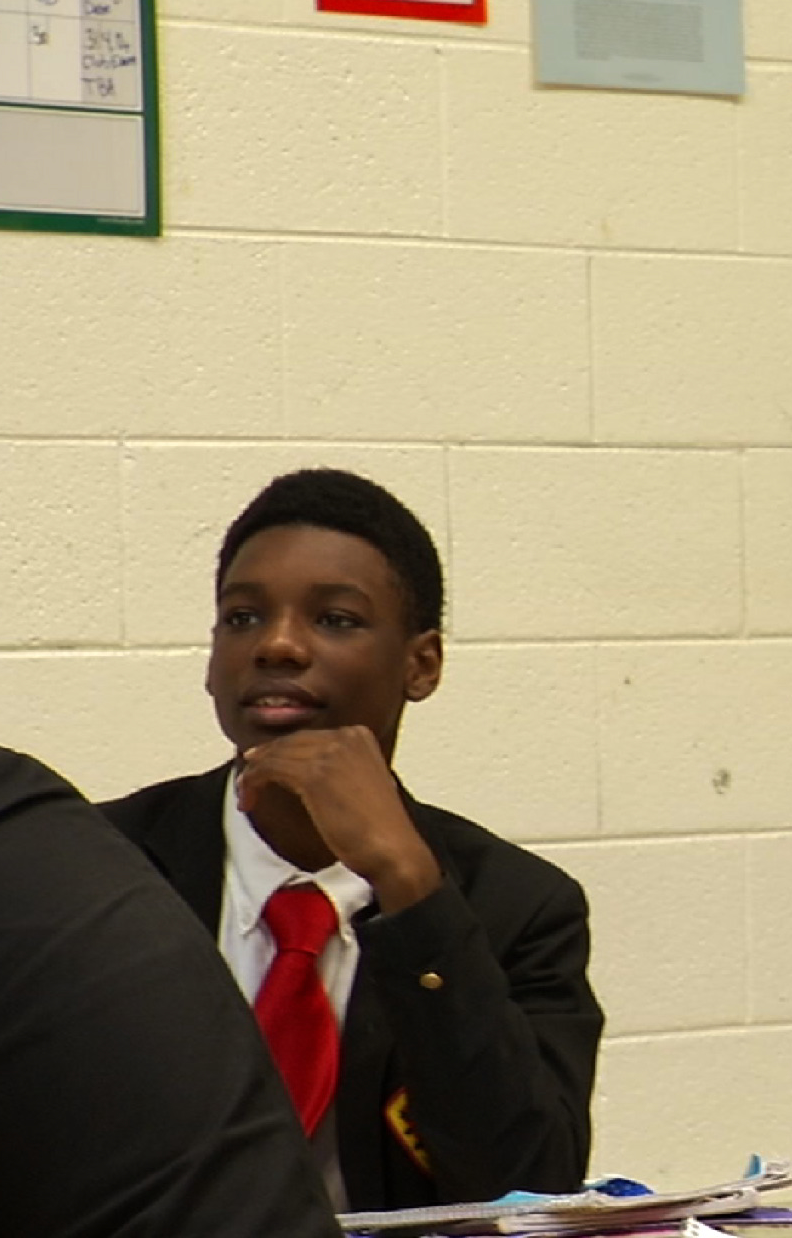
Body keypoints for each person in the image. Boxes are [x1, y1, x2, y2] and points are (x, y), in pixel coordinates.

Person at [100, 468, 604, 1212]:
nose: (276, 645)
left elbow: (529, 1191)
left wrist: (411, 888)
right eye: (242, 617)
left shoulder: (520, 909)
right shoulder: (101, 863)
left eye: (334, 619)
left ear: (420, 664)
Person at [0, 736, 340, 1238]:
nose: (280, 651)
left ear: (423, 667)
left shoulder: (0, 846)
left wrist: (415, 899)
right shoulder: (113, 839)